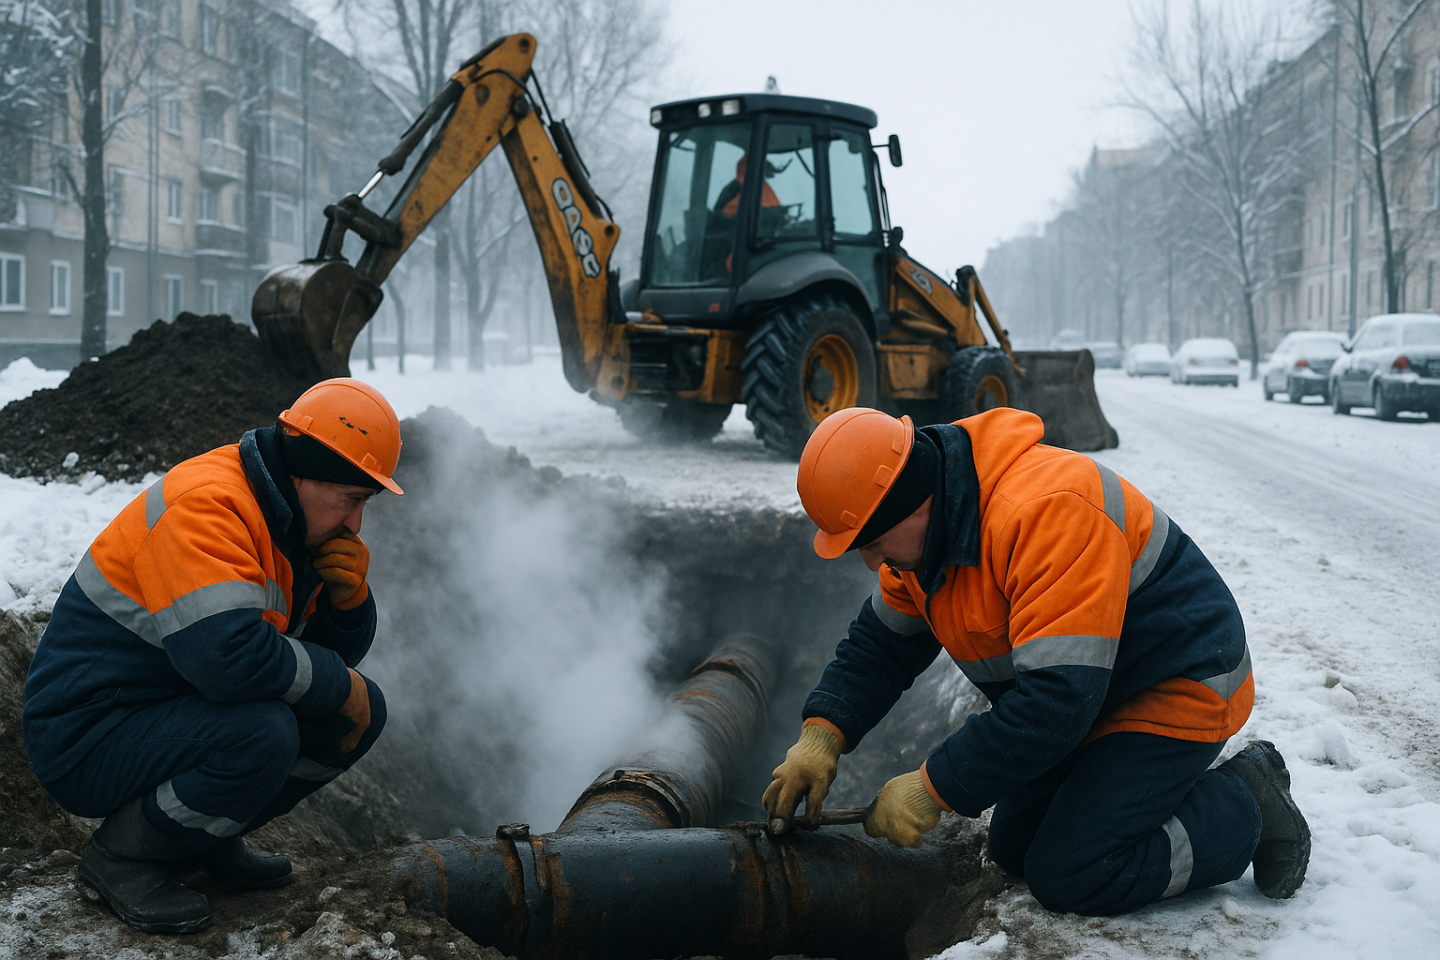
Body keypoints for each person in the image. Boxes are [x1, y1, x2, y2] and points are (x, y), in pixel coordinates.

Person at [763, 406, 1310, 915]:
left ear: (913, 499)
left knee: (1072, 871)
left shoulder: (1045, 514)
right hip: (1099, 694)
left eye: (871, 540)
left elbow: (1056, 703)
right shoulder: (920, 544)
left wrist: (930, 788)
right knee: (1015, 845)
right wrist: (822, 737)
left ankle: (1248, 805)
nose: (868, 560)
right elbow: (879, 647)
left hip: (1177, 685)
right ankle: (1150, 791)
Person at [23, 377, 403, 934]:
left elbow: (312, 657)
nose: (356, 524)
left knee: (349, 716)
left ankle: (200, 837)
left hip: (163, 705)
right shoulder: (208, 505)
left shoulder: (290, 521)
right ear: (306, 470)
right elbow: (228, 662)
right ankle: (122, 857)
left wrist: (349, 605)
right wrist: (340, 684)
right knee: (266, 731)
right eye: (352, 501)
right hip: (84, 733)